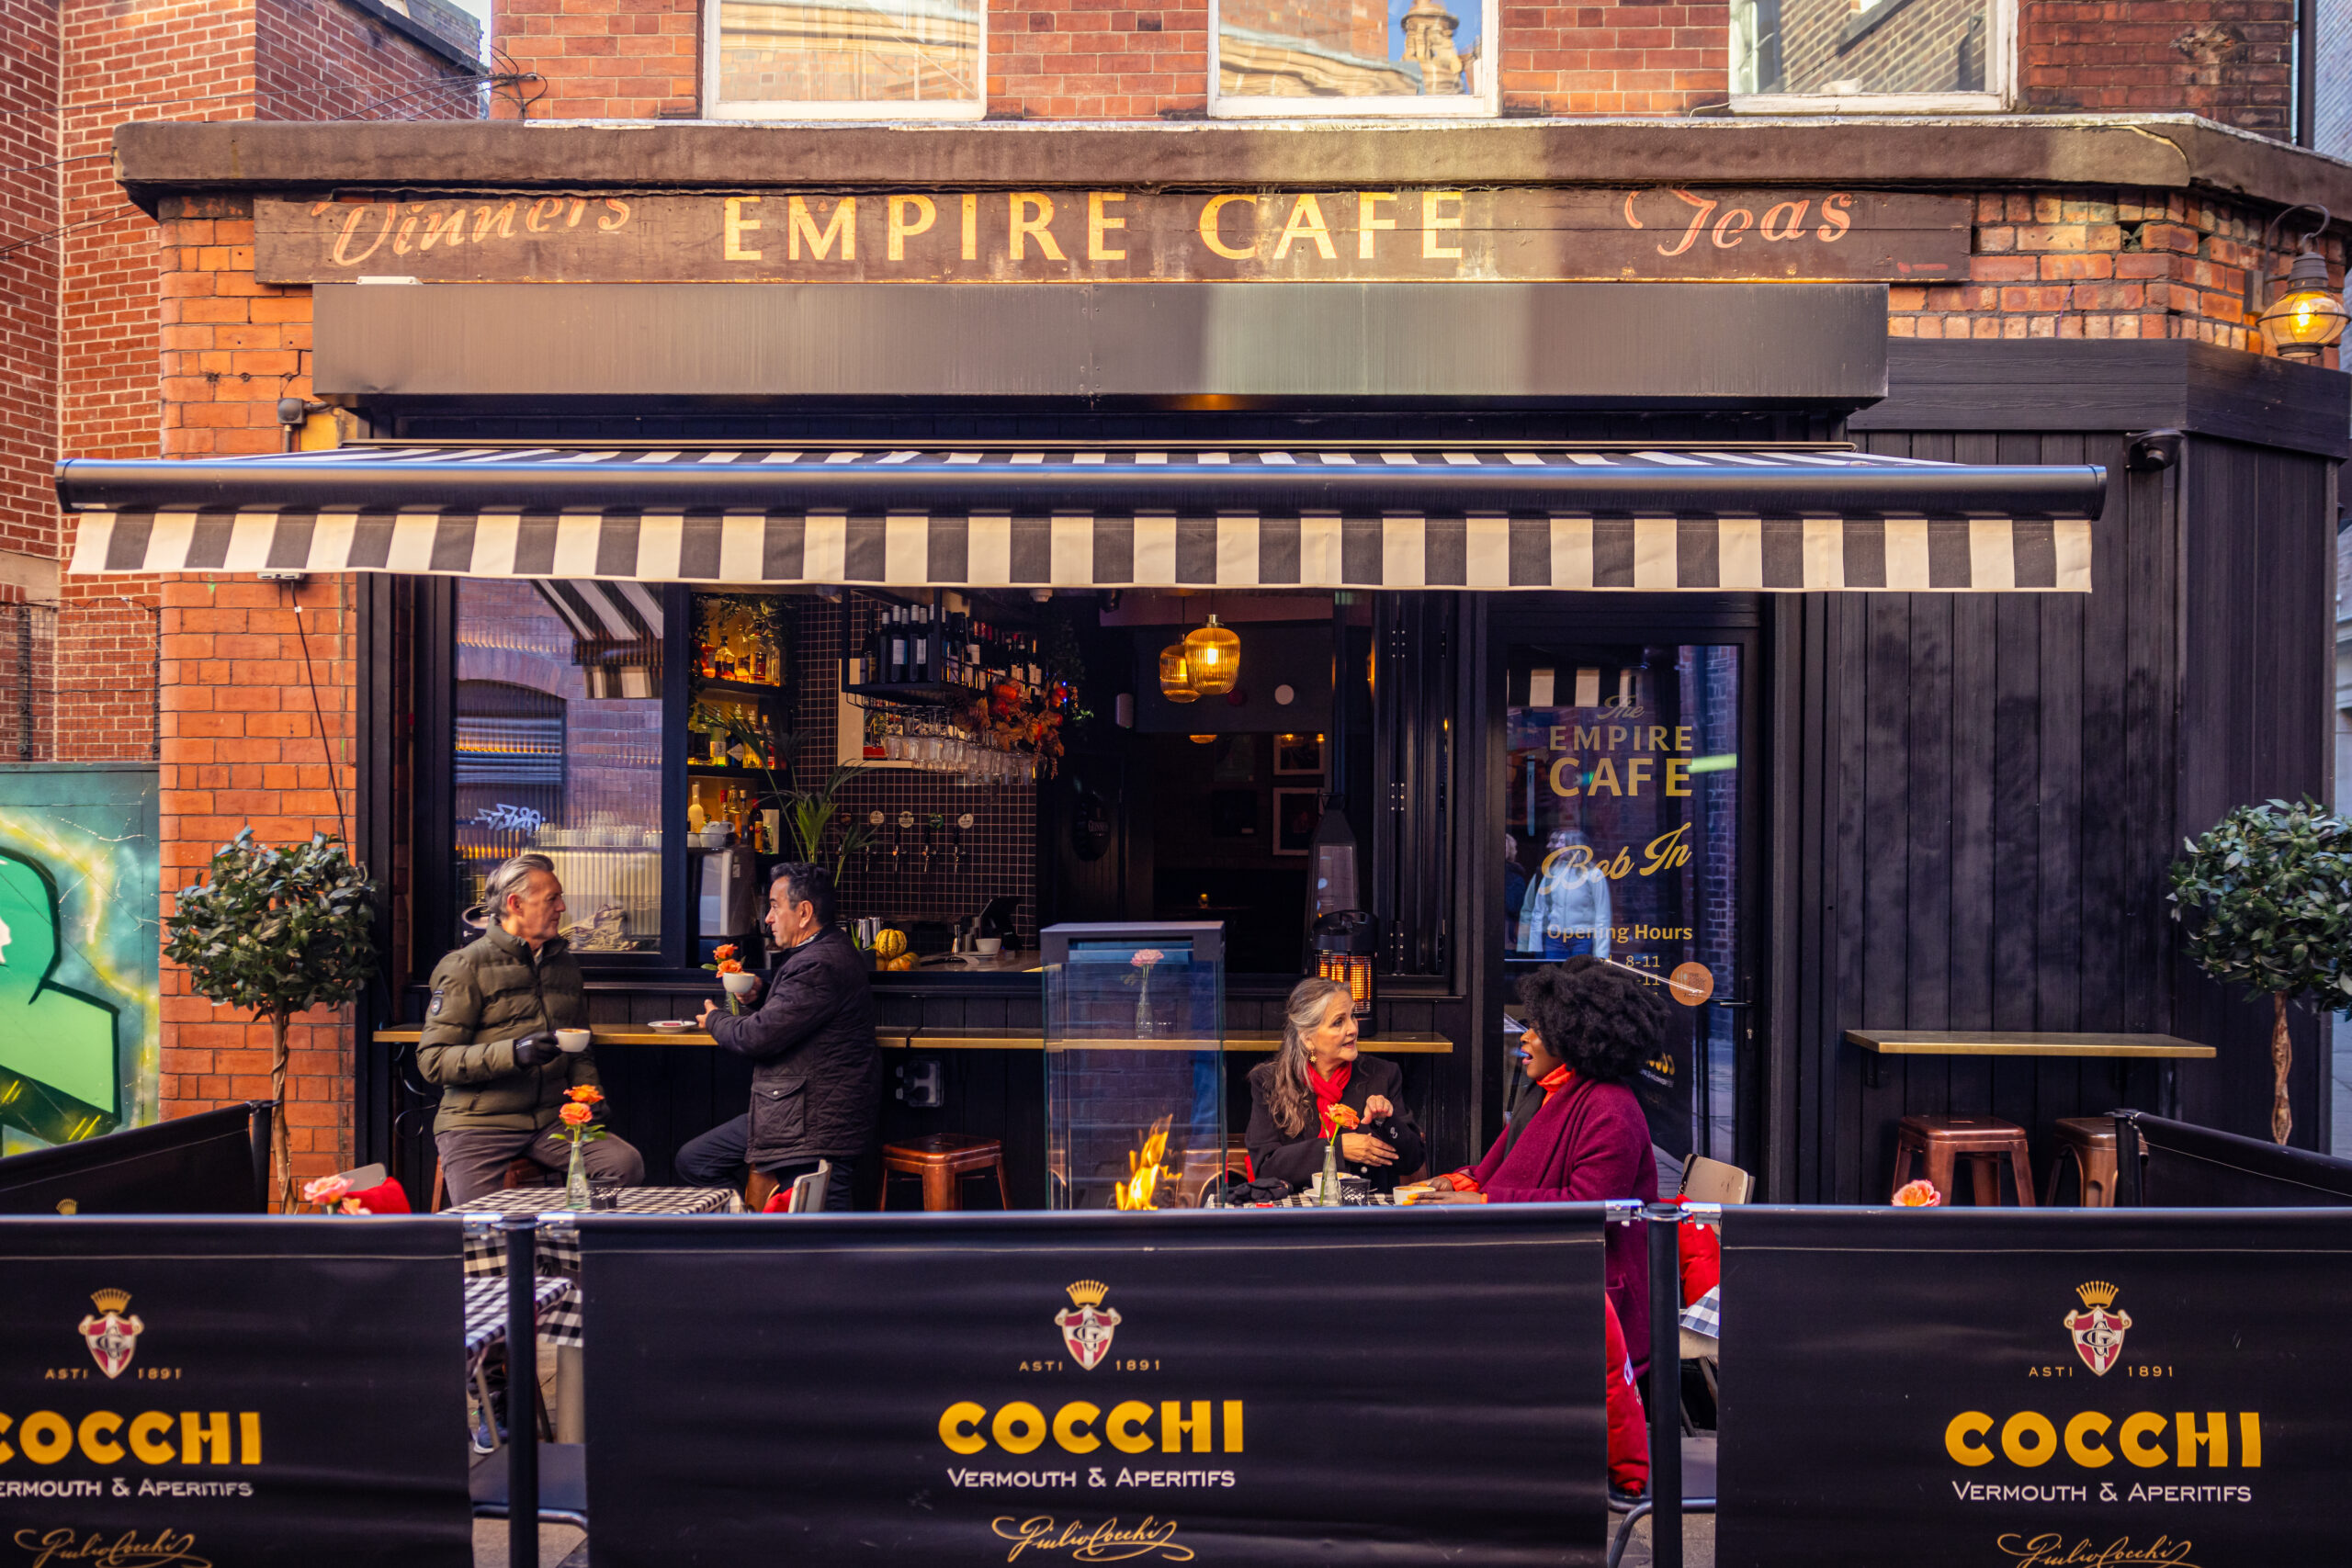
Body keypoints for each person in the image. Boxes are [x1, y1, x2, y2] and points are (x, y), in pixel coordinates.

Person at [1419, 956, 1662, 1377]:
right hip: (1547, 1271)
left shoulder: (1610, 1108)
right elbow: (1499, 1167)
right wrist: (1459, 1180)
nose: (1525, 1038)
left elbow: (1591, 1205)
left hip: (1590, 1296)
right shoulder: (1546, 1091)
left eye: (1538, 1030)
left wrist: (1481, 1199)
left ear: (1575, 1039)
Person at [419, 852, 645, 1204]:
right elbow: (434, 1061)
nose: (563, 907)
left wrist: (591, 1095)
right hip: (479, 1125)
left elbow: (579, 1047)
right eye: (552, 899)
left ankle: (567, 1253)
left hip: (551, 1121)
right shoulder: (465, 966)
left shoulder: (563, 964)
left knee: (623, 1164)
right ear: (515, 904)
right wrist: (514, 1053)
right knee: (483, 1227)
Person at [680, 863, 877, 1211]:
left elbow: (757, 1037)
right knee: (696, 1160)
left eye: (774, 906)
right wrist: (764, 993)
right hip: (794, 1112)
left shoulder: (818, 964)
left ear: (803, 913)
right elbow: (803, 1012)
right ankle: (751, 1230)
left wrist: (715, 1020)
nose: (768, 919)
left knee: (824, 1250)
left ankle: (751, 1236)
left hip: (813, 1125)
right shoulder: (824, 952)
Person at [1243, 976, 1428, 1193]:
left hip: (1363, 1217)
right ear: (1308, 1038)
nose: (1352, 1029)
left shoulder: (1383, 1075)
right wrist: (1337, 1150)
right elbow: (1266, 1167)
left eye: (1353, 1016)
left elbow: (1412, 1160)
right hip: (1296, 1217)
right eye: (1338, 1022)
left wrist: (1385, 1122)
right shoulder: (1270, 1082)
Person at [1516, 828, 1611, 958]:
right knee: (1554, 976)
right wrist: (1535, 945)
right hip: (1555, 937)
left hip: (1582, 938)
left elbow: (1602, 915)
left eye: (1563, 842)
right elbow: (1539, 910)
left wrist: (1601, 953)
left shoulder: (1593, 874)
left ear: (1575, 845)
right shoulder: (1552, 872)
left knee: (1579, 977)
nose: (1558, 846)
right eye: (1558, 842)